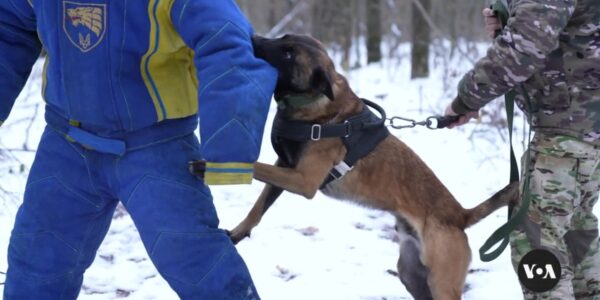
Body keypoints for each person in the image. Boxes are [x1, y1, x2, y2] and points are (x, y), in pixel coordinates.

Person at [0, 0, 277, 299]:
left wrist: (229, 145)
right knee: (37, 262)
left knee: (198, 264)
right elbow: (8, 28)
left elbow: (225, 38)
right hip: (66, 145)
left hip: (157, 148)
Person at [445, 0, 600, 299]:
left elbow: (523, 49)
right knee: (575, 226)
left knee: (538, 239)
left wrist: (464, 100)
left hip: (566, 133)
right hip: (584, 132)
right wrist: (508, 22)